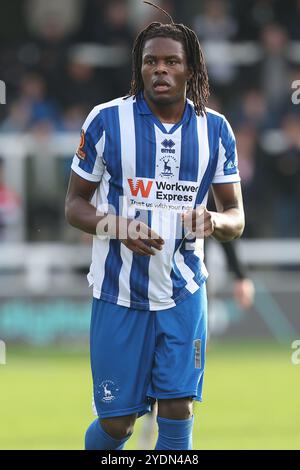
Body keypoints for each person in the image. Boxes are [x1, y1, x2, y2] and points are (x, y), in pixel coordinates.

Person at [65, 2, 245, 451]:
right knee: (118, 423)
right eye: (151, 62)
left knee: (178, 406)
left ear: (191, 70)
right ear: (139, 67)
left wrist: (214, 220)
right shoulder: (107, 120)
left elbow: (236, 217)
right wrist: (117, 226)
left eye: (171, 62)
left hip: (184, 290)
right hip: (119, 292)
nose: (160, 70)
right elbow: (74, 205)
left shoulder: (216, 131)